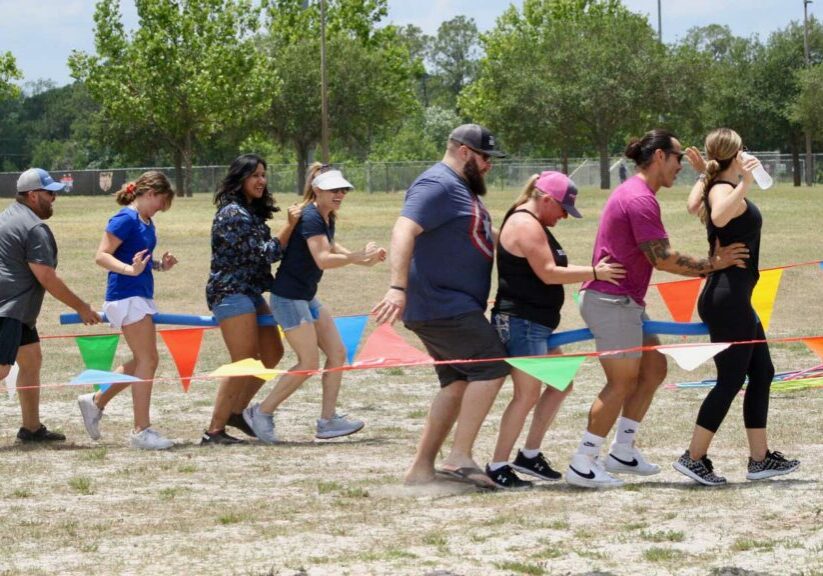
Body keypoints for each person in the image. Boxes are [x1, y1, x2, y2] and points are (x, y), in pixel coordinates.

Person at [565, 128, 750, 489]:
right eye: (678, 157)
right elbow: (663, 258)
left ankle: (622, 451)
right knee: (620, 383)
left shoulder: (641, 195)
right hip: (611, 301)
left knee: (653, 369)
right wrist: (715, 263)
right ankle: (583, 461)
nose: (681, 165)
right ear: (660, 156)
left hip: (626, 300)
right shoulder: (638, 199)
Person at [372, 123, 511, 488]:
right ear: (465, 152)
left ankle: (421, 468)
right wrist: (396, 287)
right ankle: (459, 456)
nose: (488, 166)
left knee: (458, 382)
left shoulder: (460, 188)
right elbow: (404, 228)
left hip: (449, 303)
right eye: (485, 158)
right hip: (441, 302)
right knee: (492, 365)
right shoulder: (437, 184)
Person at [672, 128, 799, 485]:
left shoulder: (715, 184)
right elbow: (719, 217)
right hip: (726, 298)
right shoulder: (724, 189)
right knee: (730, 380)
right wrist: (744, 180)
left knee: (763, 372)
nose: (748, 152)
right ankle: (694, 457)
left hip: (734, 296)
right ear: (735, 154)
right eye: (743, 148)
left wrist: (706, 173)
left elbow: (692, 205)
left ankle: (760, 459)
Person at [486, 171, 625, 490]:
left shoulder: (534, 222)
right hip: (520, 321)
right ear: (546, 199)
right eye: (563, 209)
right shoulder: (525, 224)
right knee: (526, 395)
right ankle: (497, 465)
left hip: (537, 323)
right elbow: (548, 273)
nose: (564, 216)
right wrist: (595, 273)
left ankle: (529, 455)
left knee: (561, 385)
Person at [245, 163, 385, 443]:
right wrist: (356, 256)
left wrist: (366, 258)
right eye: (334, 190)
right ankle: (261, 412)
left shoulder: (325, 216)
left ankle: (327, 421)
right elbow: (323, 259)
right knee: (308, 362)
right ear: (318, 190)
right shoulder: (310, 217)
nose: (340, 195)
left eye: (343, 190)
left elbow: (332, 248)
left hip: (306, 296)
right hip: (288, 297)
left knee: (336, 353)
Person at [201, 154, 301, 445]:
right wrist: (290, 226)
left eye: (263, 175)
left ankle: (236, 411)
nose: (261, 180)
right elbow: (265, 253)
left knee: (271, 354)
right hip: (230, 292)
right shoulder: (233, 214)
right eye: (255, 175)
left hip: (251, 292)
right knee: (243, 361)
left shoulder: (250, 212)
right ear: (240, 178)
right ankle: (214, 431)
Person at [77, 171, 178, 449]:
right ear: (149, 194)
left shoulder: (146, 221)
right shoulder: (125, 218)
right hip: (125, 295)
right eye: (161, 201)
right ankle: (140, 431)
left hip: (139, 293)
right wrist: (129, 270)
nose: (162, 207)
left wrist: (159, 265)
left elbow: (138, 259)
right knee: (148, 360)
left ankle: (96, 401)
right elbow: (101, 255)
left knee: (142, 360)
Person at [0, 168, 100, 442]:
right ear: (33, 195)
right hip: (7, 308)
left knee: (31, 361)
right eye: (49, 193)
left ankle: (31, 429)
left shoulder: (9, 215)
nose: (54, 198)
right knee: (2, 370)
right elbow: (46, 277)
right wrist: (81, 306)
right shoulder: (34, 227)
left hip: (17, 311)